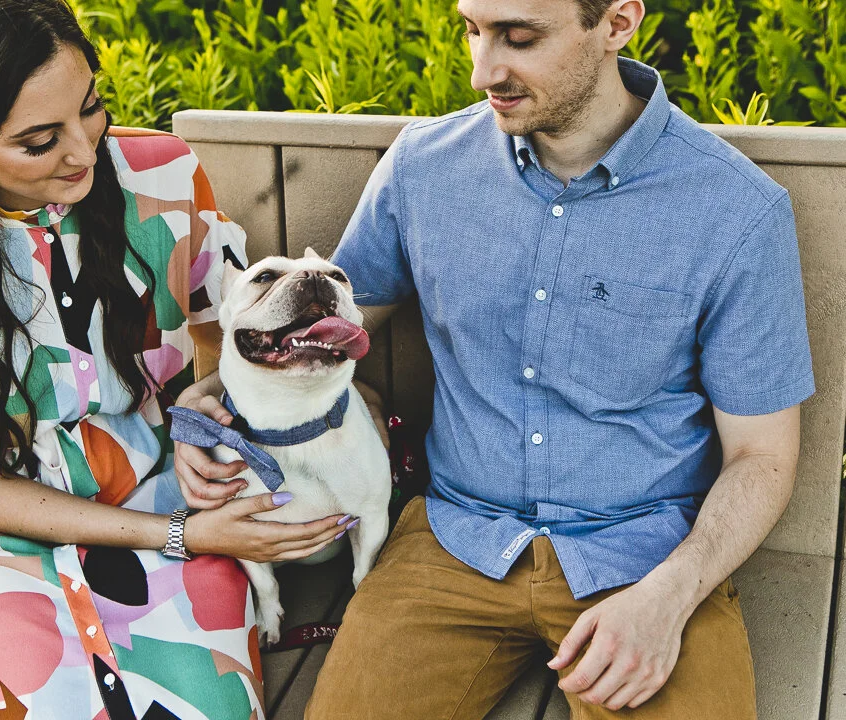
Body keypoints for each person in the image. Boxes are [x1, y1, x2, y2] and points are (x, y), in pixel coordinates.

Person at [179, 0, 814, 718]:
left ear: (617, 23)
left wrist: (672, 595)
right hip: (454, 541)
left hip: (647, 559)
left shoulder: (736, 210)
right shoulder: (423, 166)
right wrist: (211, 406)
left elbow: (762, 456)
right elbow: (322, 328)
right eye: (473, 31)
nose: (483, 71)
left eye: (519, 37)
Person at [0, 1, 347, 718]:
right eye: (39, 141)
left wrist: (200, 411)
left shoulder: (165, 174)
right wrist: (181, 536)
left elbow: (226, 339)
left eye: (91, 108)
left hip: (165, 485)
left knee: (208, 707)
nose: (85, 152)